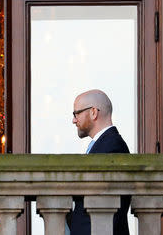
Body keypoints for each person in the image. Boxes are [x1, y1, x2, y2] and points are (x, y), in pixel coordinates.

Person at [69, 89, 130, 235]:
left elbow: (108, 207)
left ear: (93, 112)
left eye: (76, 113)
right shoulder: (105, 144)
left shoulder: (112, 146)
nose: (73, 120)